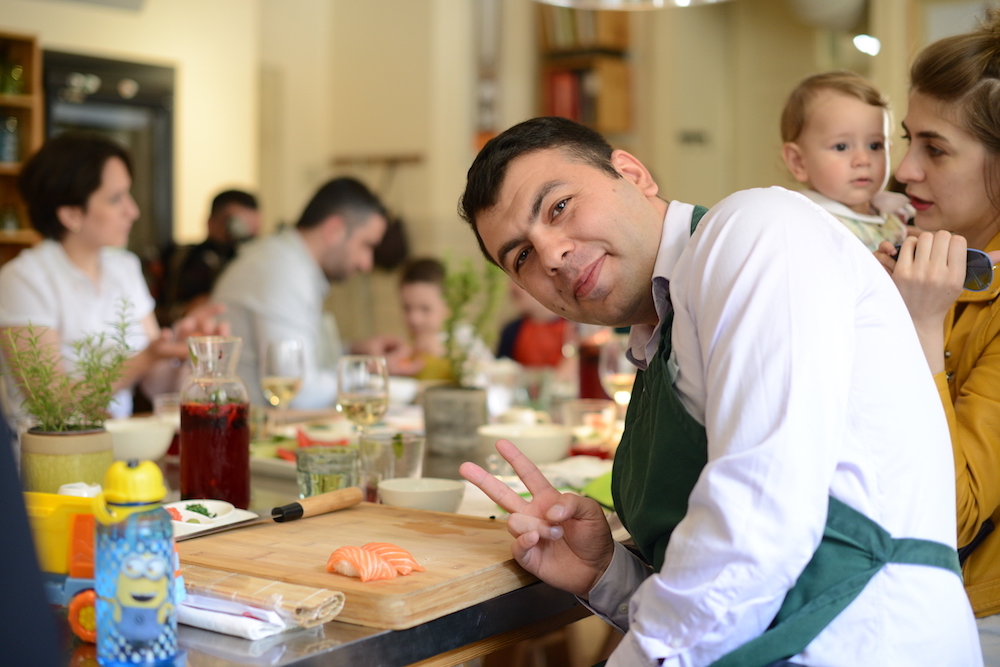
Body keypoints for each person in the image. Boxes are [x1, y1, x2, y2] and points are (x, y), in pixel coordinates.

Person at [457, 116, 981, 666]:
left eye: (559, 206)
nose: (552, 254)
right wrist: (604, 574)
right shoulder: (658, 344)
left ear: (633, 174)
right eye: (521, 258)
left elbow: (759, 517)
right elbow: (725, 598)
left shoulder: (755, 230)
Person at [873, 10, 1000, 663]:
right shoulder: (928, 260)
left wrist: (918, 324)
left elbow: (947, 515)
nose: (904, 172)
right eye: (905, 141)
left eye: (936, 148)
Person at [0, 133, 225, 425]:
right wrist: (147, 357)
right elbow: (51, 403)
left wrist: (182, 351)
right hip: (49, 458)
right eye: (115, 198)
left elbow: (157, 387)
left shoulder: (124, 268)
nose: (133, 211)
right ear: (71, 214)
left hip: (121, 452)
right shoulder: (23, 280)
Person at [211, 176, 399, 409]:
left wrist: (354, 352)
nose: (367, 264)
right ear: (335, 230)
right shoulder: (283, 272)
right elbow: (299, 390)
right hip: (246, 430)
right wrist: (375, 380)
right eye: (366, 245)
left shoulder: (288, 262)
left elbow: (298, 356)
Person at [780, 70, 913, 252]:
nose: (863, 160)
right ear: (798, 162)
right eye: (841, 147)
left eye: (875, 146)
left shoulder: (891, 210)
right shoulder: (808, 222)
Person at [159, 189, 260, 323]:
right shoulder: (181, 258)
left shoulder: (254, 263)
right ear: (211, 222)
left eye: (252, 233)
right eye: (233, 225)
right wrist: (183, 311)